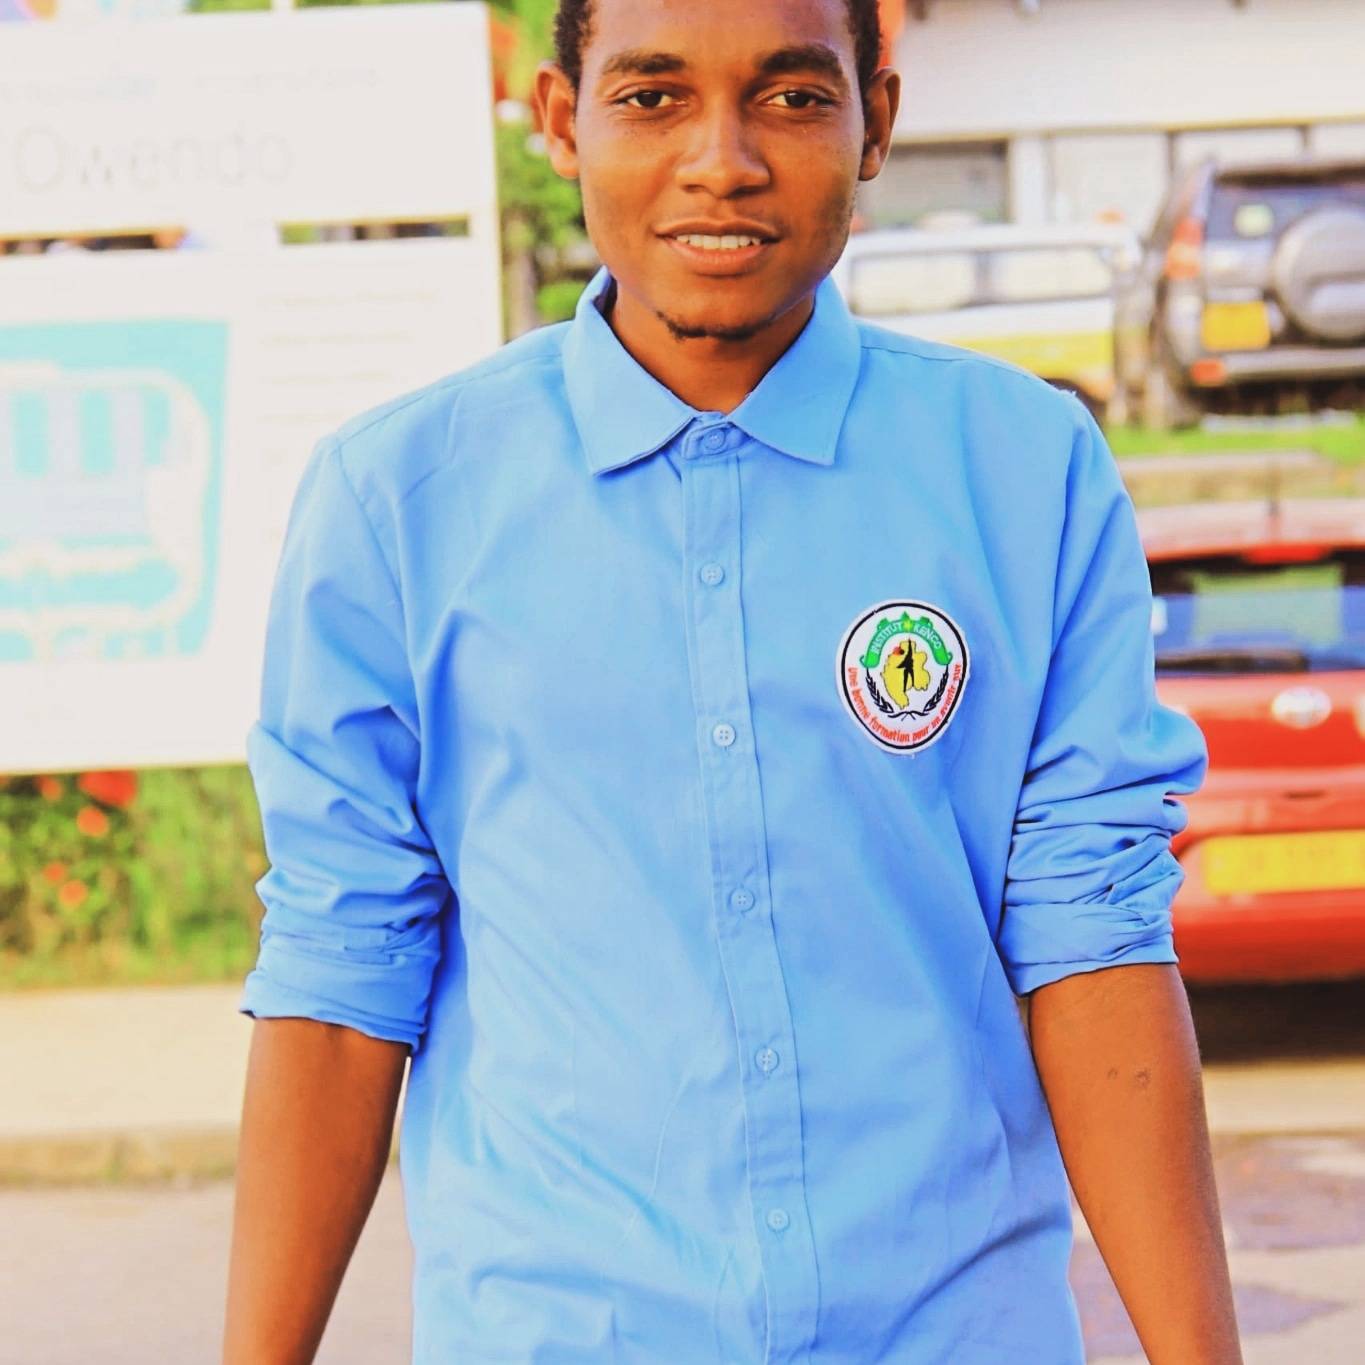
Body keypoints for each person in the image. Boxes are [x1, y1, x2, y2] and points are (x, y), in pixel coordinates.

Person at [223, 1, 1244, 1362]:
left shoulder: (1024, 468)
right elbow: (343, 970)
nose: (722, 161)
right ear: (560, 120)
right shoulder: (398, 499)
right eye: (651, 98)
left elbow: (1092, 935)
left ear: (875, 122)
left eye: (792, 97)